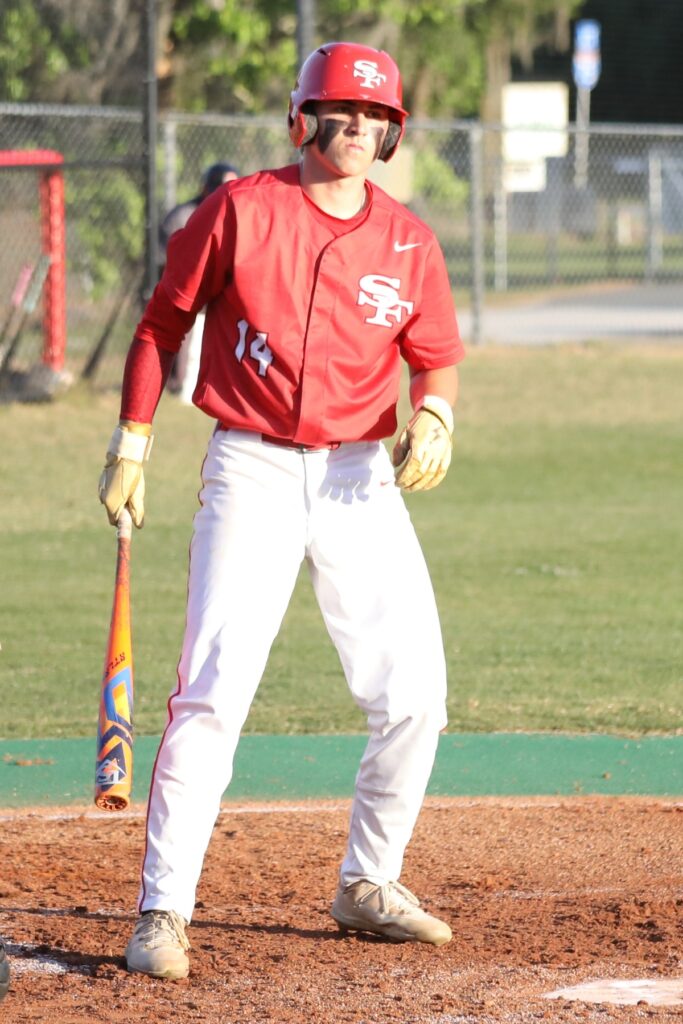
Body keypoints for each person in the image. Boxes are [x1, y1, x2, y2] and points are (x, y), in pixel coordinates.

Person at [98, 41, 465, 980]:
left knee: (415, 694)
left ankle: (368, 881)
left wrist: (434, 413)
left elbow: (433, 355)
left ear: (392, 132)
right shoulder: (240, 209)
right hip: (251, 468)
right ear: (304, 118)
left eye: (376, 115)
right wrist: (133, 440)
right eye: (342, 109)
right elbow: (161, 325)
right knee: (214, 692)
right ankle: (163, 911)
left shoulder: (409, 241)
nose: (358, 126)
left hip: (358, 478)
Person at [160, 161, 240, 402]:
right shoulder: (184, 215)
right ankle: (178, 385)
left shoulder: (240, 214)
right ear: (206, 188)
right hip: (188, 290)